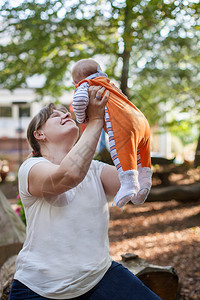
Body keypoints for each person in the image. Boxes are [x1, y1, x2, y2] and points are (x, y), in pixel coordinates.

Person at [9, 86, 161, 300]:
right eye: (56, 115)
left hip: (99, 277)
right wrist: (96, 121)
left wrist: (124, 120)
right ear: (39, 134)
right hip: (39, 288)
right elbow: (68, 176)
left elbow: (134, 187)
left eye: (67, 113)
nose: (66, 115)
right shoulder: (31, 168)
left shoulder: (95, 169)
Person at [72, 58, 152, 209]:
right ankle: (145, 181)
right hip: (141, 119)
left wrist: (82, 118)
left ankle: (129, 185)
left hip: (123, 124)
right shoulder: (109, 84)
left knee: (123, 152)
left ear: (76, 81)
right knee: (142, 156)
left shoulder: (85, 85)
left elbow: (79, 101)